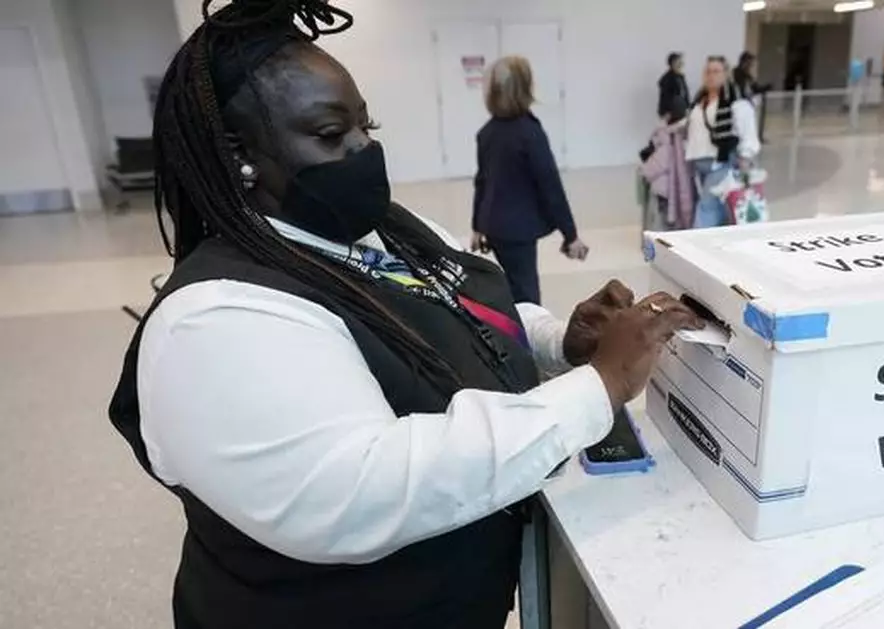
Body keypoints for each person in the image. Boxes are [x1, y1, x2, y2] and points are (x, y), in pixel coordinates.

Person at [107, 2, 701, 628]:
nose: (365, 150)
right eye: (332, 135)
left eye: (369, 126)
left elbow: (449, 310)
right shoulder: (216, 320)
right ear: (237, 154)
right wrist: (598, 387)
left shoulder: (378, 231)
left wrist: (561, 343)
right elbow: (362, 489)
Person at [472, 56, 585, 305]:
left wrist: (477, 226)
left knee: (512, 286)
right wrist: (571, 235)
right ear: (526, 88)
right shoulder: (530, 133)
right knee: (526, 295)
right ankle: (524, 341)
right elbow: (550, 186)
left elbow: (481, 182)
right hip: (518, 230)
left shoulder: (487, 133)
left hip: (493, 227)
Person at [684, 56, 761, 229]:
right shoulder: (699, 101)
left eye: (716, 71)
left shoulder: (736, 101)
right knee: (719, 207)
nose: (711, 75)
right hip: (699, 162)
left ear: (726, 74)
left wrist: (746, 157)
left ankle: (699, 246)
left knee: (706, 206)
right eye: (707, 71)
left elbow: (748, 131)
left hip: (722, 163)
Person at [732, 51, 770, 142]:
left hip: (747, 105)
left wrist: (765, 88)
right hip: (737, 105)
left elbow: (755, 88)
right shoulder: (736, 73)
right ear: (744, 62)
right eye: (750, 63)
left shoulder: (748, 76)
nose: (751, 66)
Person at [658, 51, 690, 120]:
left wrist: (688, 108)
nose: (681, 64)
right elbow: (666, 98)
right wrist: (667, 113)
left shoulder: (681, 77)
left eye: (681, 62)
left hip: (681, 111)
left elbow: (685, 95)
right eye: (679, 62)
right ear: (673, 63)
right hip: (670, 114)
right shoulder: (667, 79)